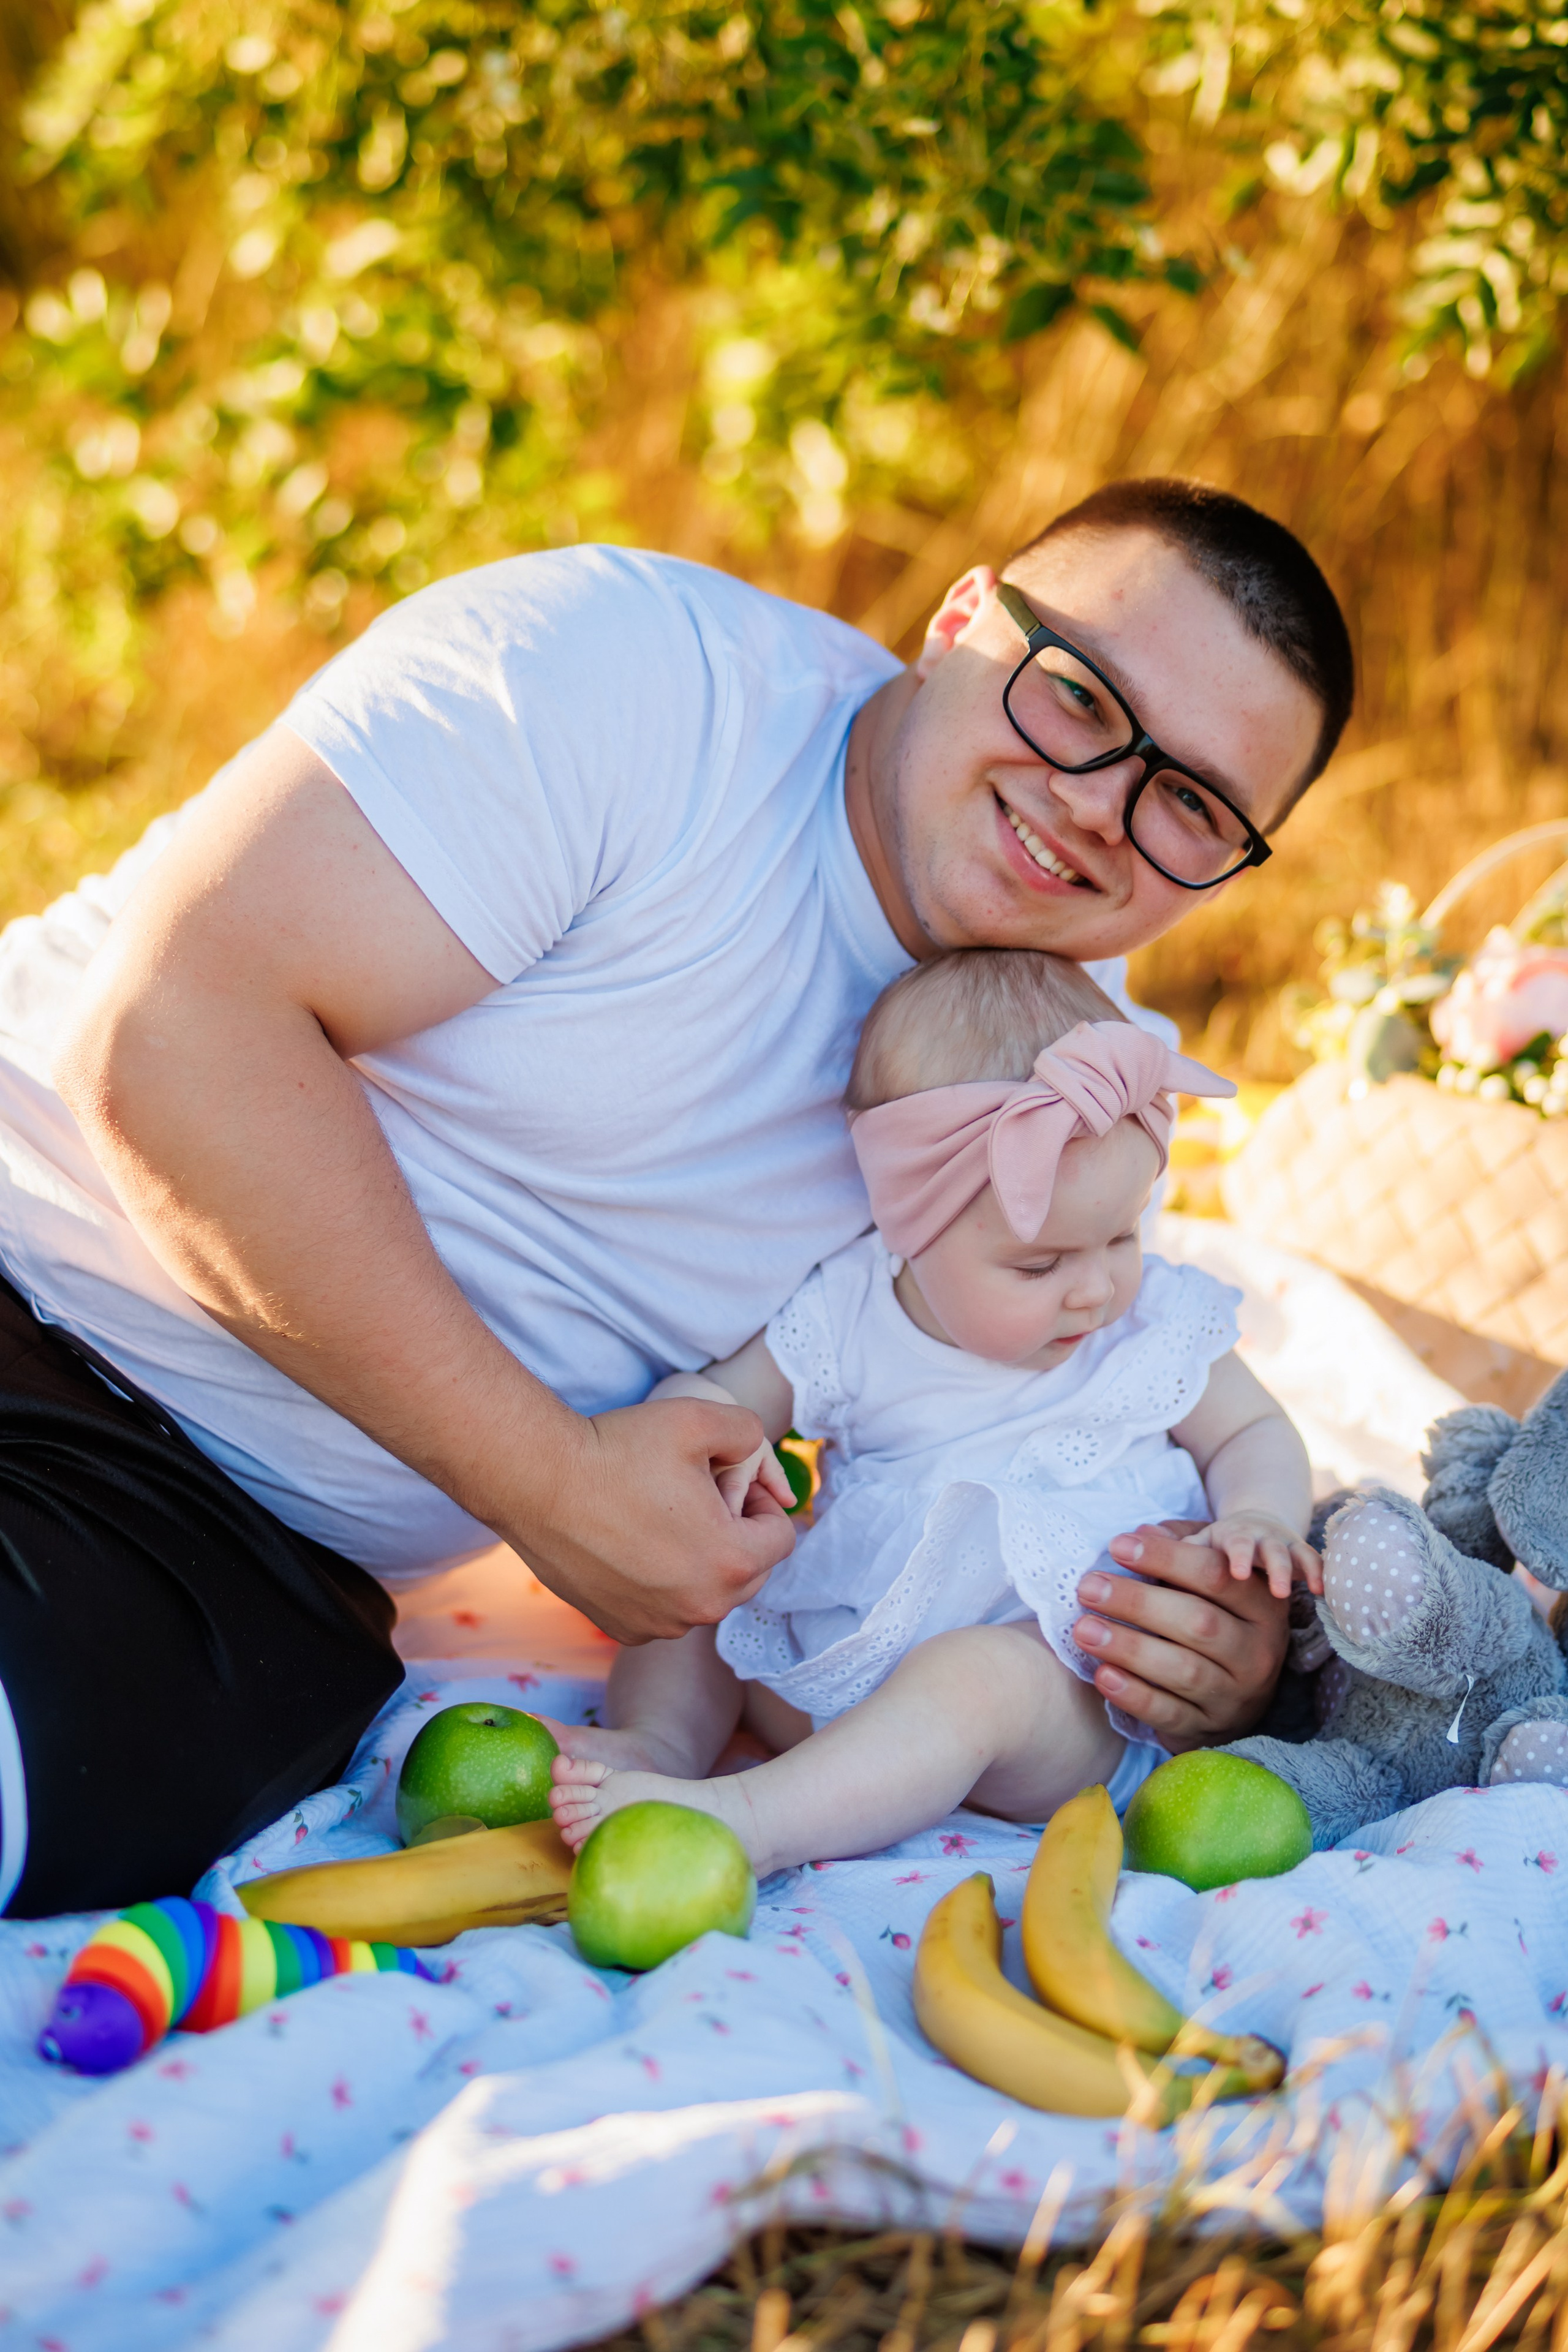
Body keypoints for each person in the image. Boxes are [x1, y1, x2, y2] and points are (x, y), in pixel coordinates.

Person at [0, 476, 1352, 1913]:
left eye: (1191, 805)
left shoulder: (1042, 1039)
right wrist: (549, 1484)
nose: (1096, 809)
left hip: (222, 1553)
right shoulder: (635, 683)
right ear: (961, 620)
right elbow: (167, 1036)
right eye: (1077, 697)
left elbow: (1027, 1426)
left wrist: (1192, 1642)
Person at [549, 950, 1321, 1871]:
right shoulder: (849, 1311)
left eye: (1122, 1234)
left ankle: (748, 1821)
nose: (1095, 1290)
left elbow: (1253, 1427)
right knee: (704, 1603)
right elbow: (715, 1401)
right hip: (838, 1661)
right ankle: (660, 1746)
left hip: (1065, 1694)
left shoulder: (1150, 1321)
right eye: (1041, 1265)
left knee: (973, 1679)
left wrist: (1260, 1515)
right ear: (909, 1225)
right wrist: (707, 1444)